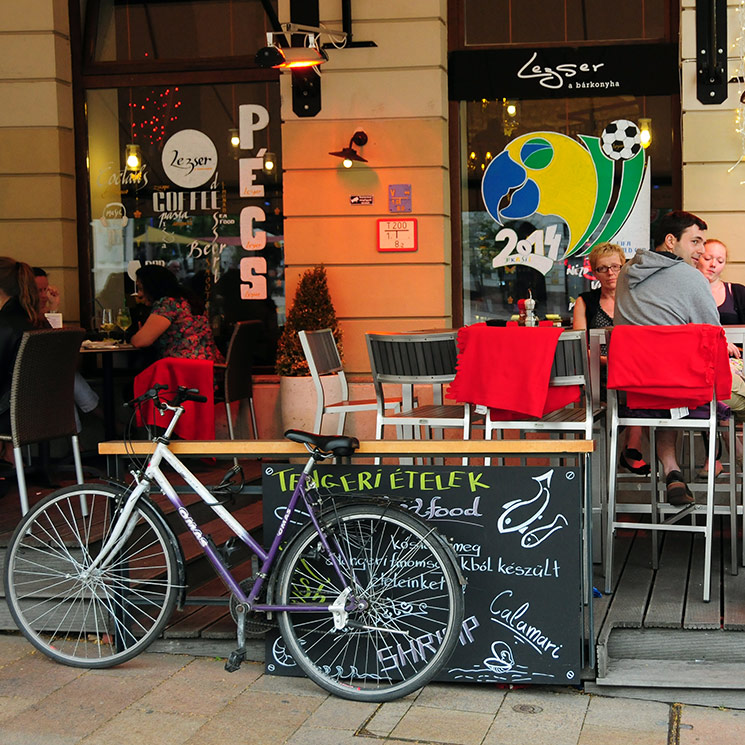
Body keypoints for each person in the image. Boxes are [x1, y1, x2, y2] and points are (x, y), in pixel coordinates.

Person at [615, 210, 719, 505]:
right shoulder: (690, 277)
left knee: (660, 392)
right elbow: (711, 332)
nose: (701, 250)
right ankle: (712, 466)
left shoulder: (626, 271)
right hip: (677, 389)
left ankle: (672, 469)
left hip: (631, 390)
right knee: (677, 388)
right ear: (670, 241)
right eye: (696, 241)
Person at [572, 242, 648, 475]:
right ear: (594, 272)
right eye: (603, 268)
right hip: (600, 375)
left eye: (616, 266)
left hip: (634, 374)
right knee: (636, 386)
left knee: (640, 383)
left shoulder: (638, 298)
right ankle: (630, 452)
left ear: (624, 267)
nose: (611, 273)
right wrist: (610, 361)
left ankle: (631, 448)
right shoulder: (585, 301)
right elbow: (579, 347)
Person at [694, 238, 745, 475]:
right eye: (708, 258)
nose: (713, 264)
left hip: (737, 364)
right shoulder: (688, 294)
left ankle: (718, 456)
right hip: (699, 365)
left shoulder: (738, 292)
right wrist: (719, 344)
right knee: (709, 386)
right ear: (697, 258)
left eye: (720, 260)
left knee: (716, 390)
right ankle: (731, 452)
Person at [131, 264, 223, 361]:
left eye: (141, 289)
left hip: (185, 368)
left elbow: (140, 341)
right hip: (210, 366)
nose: (139, 294)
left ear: (152, 287)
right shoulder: (187, 300)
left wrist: (136, 335)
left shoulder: (168, 304)